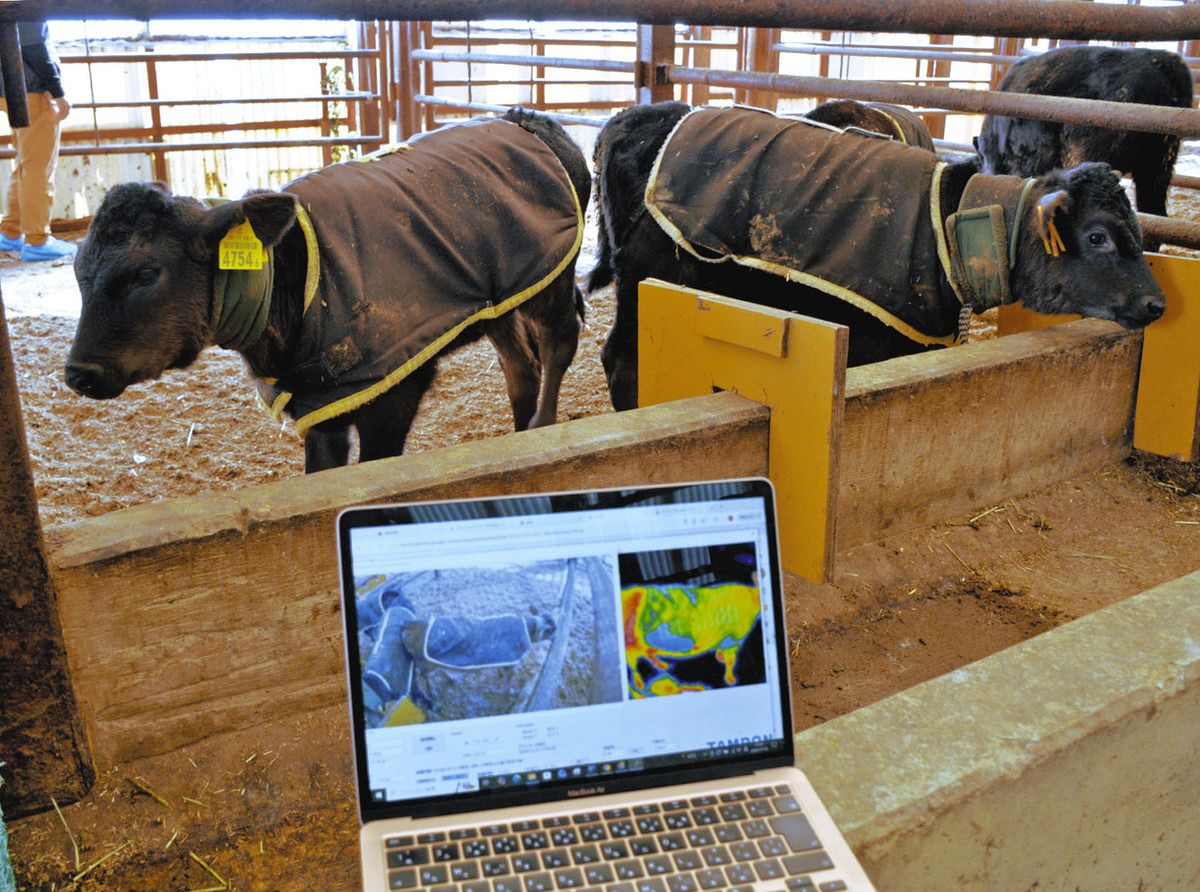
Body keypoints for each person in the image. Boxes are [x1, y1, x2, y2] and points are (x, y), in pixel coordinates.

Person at [359, 580, 556, 727]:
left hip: (371, 692)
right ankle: (526, 630)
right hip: (374, 697)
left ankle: (524, 631)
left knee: (399, 609)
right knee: (418, 632)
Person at [0, 20, 75, 261]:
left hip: (11, 89)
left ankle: (10, 232)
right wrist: (58, 92)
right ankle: (36, 240)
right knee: (38, 169)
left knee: (26, 165)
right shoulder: (28, 4)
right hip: (32, 91)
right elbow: (34, 44)